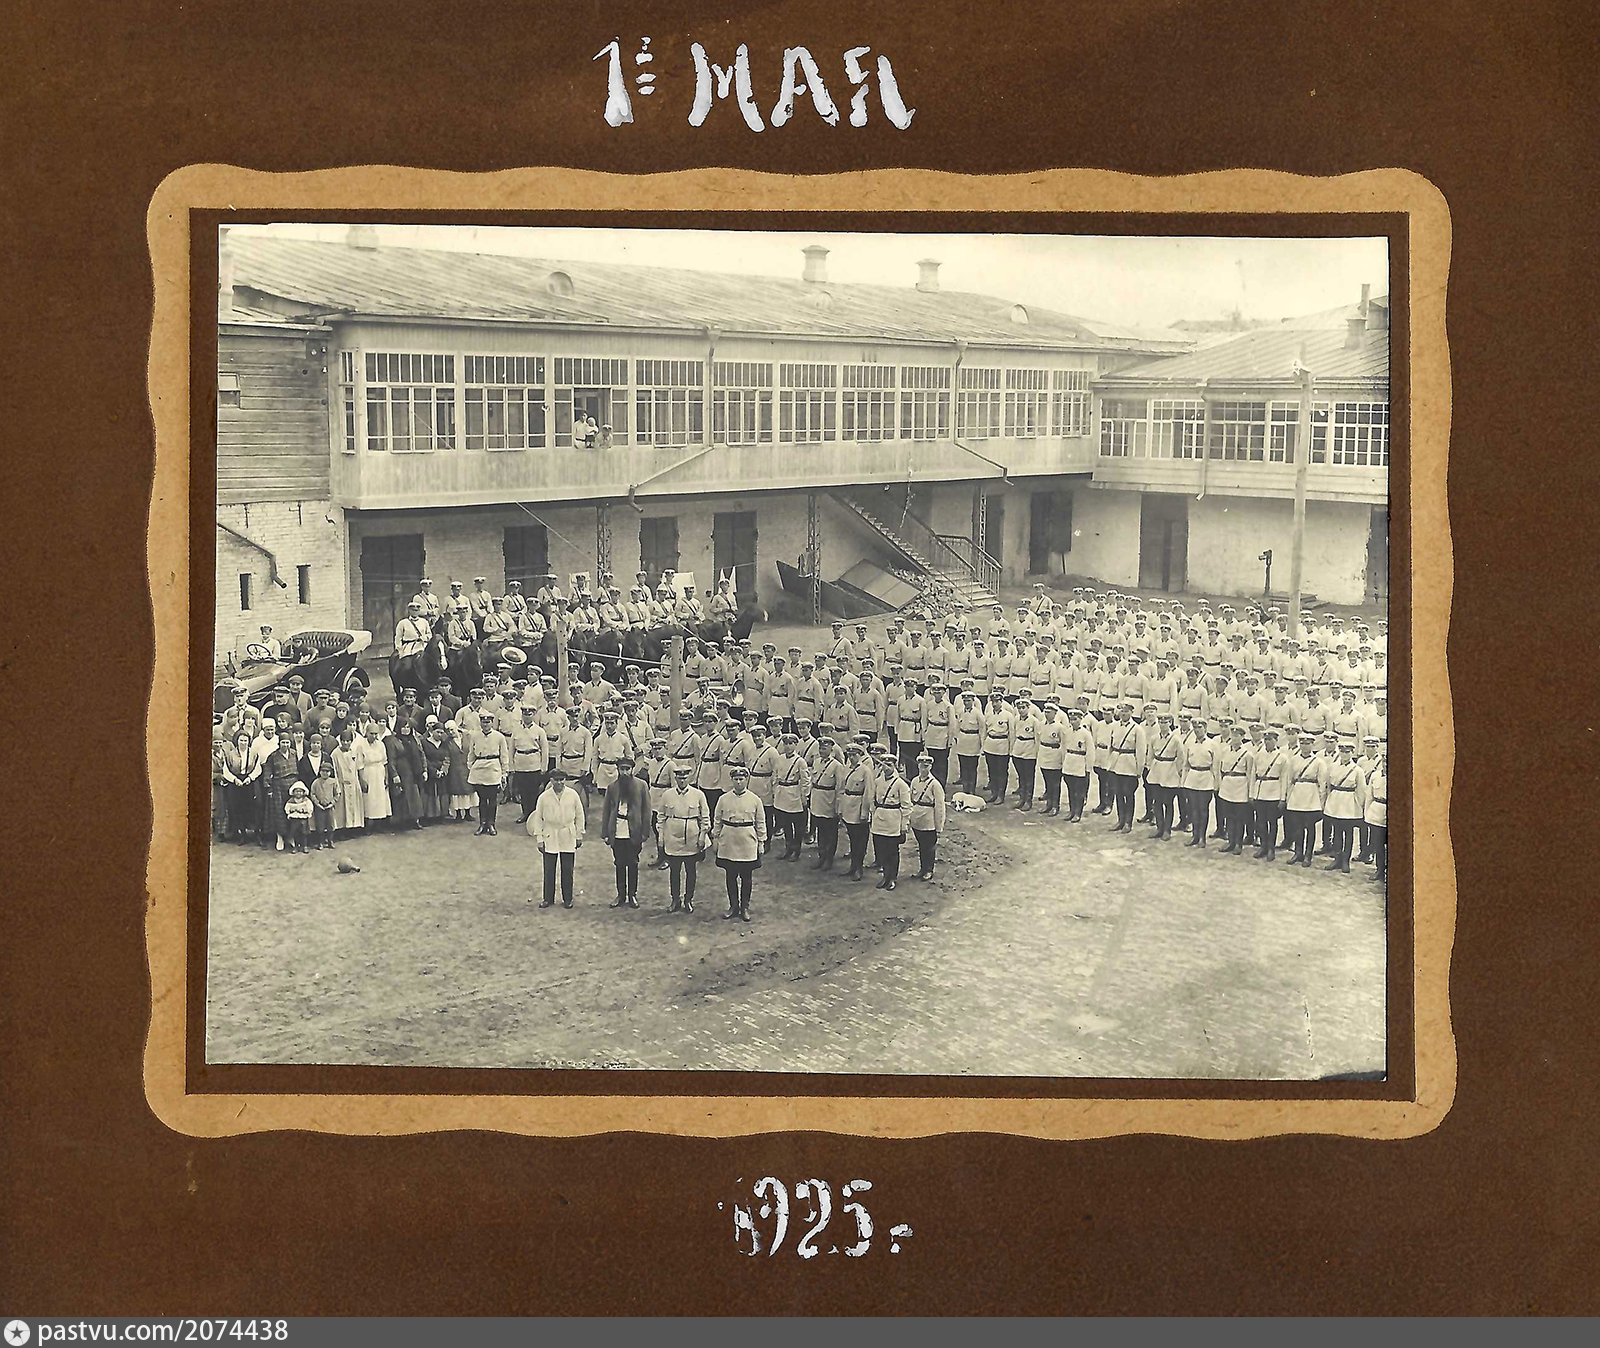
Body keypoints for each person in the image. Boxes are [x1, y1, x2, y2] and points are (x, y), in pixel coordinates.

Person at [713, 764, 765, 922]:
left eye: (741, 779)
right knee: (730, 876)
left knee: (746, 877)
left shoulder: (755, 800)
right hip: (729, 840)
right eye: (735, 779)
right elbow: (717, 820)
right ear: (732, 780)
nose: (738, 782)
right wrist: (715, 838)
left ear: (746, 780)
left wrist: (761, 842)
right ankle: (733, 906)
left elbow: (760, 823)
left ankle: (744, 907)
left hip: (747, 841)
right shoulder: (723, 799)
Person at [658, 763, 710, 912]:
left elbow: (705, 818)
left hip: (692, 838)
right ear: (675, 778)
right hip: (673, 838)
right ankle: (675, 900)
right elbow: (660, 817)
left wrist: (702, 836)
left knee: (690, 871)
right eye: (679, 777)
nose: (682, 780)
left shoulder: (698, 795)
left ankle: (688, 900)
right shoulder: (667, 795)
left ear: (689, 778)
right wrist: (661, 836)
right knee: (674, 872)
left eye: (685, 777)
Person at [602, 754, 650, 909]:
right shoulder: (612, 787)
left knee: (633, 863)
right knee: (619, 863)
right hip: (617, 831)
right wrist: (605, 833)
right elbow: (606, 811)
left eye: (627, 769)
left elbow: (646, 811)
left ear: (632, 770)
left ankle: (632, 895)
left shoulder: (641, 786)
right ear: (617, 770)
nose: (624, 772)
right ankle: (621, 895)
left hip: (633, 831)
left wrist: (645, 832)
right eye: (621, 769)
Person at [531, 769, 585, 908]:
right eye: (556, 780)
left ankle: (568, 899)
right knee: (549, 869)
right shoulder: (544, 797)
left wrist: (579, 834)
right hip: (550, 834)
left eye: (562, 779)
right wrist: (539, 839)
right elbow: (538, 818)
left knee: (567, 869)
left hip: (568, 833)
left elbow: (580, 815)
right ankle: (548, 898)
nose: (559, 782)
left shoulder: (572, 795)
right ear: (551, 780)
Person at [1321, 740, 1369, 874]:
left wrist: (1359, 806)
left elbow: (1361, 790)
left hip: (1349, 803)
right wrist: (1328, 802)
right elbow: (1328, 785)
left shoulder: (1357, 770)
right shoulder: (1332, 767)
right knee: (1337, 832)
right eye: (1342, 752)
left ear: (1352, 753)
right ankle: (1337, 859)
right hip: (1335, 802)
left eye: (1347, 752)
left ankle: (1345, 861)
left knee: (1348, 833)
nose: (1344, 755)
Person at [869, 753, 913, 891]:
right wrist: (873, 815)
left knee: (892, 851)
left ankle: (892, 878)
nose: (886, 768)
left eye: (889, 765)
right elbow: (872, 800)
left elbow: (907, 807)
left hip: (893, 820)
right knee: (881, 849)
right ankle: (885, 876)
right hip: (879, 819)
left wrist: (904, 825)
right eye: (884, 765)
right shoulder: (877, 782)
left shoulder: (901, 784)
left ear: (894, 766)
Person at [468, 711, 509, 836]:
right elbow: (471, 754)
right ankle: (482, 824)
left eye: (488, 722)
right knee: (482, 799)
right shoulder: (475, 736)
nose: (485, 725)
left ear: (492, 723)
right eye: (483, 722)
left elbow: (504, 756)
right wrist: (471, 767)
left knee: (492, 799)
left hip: (493, 768)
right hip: (479, 768)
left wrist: (504, 773)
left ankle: (491, 824)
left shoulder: (499, 737)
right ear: (480, 723)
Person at [771, 730, 811, 860]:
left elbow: (805, 780)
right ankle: (788, 848)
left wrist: (804, 796)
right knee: (785, 824)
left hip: (794, 794)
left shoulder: (800, 761)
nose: (788, 746)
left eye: (790, 743)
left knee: (797, 825)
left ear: (795, 745)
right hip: (782, 793)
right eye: (786, 744)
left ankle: (796, 850)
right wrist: (775, 790)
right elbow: (775, 775)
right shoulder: (779, 759)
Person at [907, 753, 947, 881]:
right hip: (917, 819)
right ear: (918, 766)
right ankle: (922, 869)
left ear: (930, 767)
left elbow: (940, 807)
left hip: (929, 820)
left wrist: (939, 826)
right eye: (921, 766)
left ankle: (928, 869)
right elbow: (910, 800)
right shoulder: (914, 781)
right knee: (921, 846)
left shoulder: (935, 784)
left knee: (929, 847)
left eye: (926, 766)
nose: (923, 769)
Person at [807, 732, 843, 871]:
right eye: (821, 748)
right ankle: (821, 856)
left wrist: (838, 806)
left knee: (830, 832)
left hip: (829, 801)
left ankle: (829, 859)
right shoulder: (816, 762)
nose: (822, 751)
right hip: (818, 800)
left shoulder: (836, 766)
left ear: (831, 750)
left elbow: (839, 787)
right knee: (820, 831)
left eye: (825, 748)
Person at [221, 729, 263, 843]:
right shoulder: (230, 754)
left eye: (245, 740)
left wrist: (250, 778)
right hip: (236, 783)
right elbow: (226, 770)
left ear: (249, 741)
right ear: (237, 741)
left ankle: (256, 833)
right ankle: (242, 834)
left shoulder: (254, 753)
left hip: (250, 782)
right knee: (238, 807)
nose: (243, 743)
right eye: (241, 740)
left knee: (254, 806)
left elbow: (258, 768)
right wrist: (234, 779)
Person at [386, 719, 426, 830]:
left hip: (413, 770)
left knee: (414, 796)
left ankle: (415, 819)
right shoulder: (394, 741)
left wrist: (423, 769)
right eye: (403, 727)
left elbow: (420, 754)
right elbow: (391, 759)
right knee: (403, 797)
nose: (406, 729)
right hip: (402, 771)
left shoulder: (414, 739)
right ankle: (402, 821)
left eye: (408, 727)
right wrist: (395, 774)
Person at [1365, 749, 1388, 885]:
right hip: (1377, 812)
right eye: (1384, 761)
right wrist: (1367, 814)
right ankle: (1379, 870)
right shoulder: (1375, 776)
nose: (1386, 764)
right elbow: (1369, 796)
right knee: (1378, 845)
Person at [309, 759, 340, 849]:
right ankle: (320, 842)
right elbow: (312, 794)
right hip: (319, 807)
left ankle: (330, 841)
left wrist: (332, 803)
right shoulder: (316, 782)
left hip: (330, 807)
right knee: (320, 826)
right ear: (320, 772)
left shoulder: (334, 782)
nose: (325, 773)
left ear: (330, 772)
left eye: (327, 771)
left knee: (330, 825)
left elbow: (337, 793)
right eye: (323, 771)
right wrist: (317, 804)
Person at [282, 781, 313, 853]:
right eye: (297, 791)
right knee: (295, 833)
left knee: (304, 833)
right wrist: (289, 813)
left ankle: (304, 846)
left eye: (300, 791)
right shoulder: (291, 801)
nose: (298, 793)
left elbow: (310, 807)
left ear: (303, 792)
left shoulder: (306, 800)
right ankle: (296, 846)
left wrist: (308, 813)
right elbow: (287, 808)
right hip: (294, 819)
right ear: (293, 792)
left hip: (303, 818)